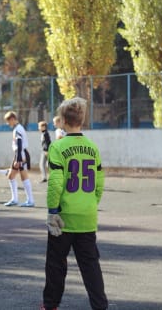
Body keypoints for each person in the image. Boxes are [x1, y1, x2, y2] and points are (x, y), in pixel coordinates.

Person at [41, 97, 107, 310]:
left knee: (55, 264)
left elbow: (56, 182)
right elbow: (99, 182)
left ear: (62, 120)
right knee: (90, 267)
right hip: (87, 215)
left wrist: (52, 211)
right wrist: (90, 204)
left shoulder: (58, 147)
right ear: (82, 119)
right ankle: (100, 306)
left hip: (64, 216)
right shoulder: (92, 147)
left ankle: (51, 304)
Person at [3, 111, 34, 207]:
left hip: (20, 154)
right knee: (12, 176)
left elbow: (19, 143)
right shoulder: (19, 128)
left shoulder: (17, 129)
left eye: (8, 121)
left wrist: (19, 159)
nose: (7, 123)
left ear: (12, 119)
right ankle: (15, 199)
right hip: (20, 154)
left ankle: (29, 200)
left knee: (23, 177)